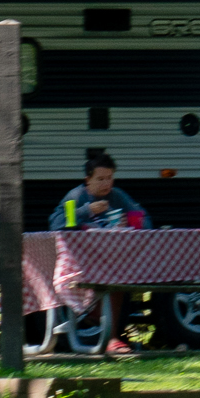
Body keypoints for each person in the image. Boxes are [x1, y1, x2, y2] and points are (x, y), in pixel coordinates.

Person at [49, 149, 150, 356]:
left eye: (110, 178)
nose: (106, 184)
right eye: (101, 179)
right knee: (112, 279)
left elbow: (145, 219)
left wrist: (129, 222)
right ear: (88, 179)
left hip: (112, 261)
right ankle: (100, 328)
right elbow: (56, 224)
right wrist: (88, 211)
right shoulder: (76, 197)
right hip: (80, 264)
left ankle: (110, 335)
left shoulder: (117, 196)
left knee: (121, 277)